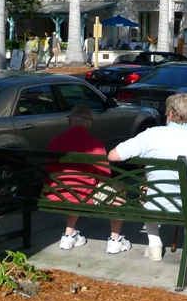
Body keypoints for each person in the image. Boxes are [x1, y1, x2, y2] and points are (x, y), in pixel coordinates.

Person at [108, 93, 187, 262]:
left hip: (156, 207)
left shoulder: (151, 135)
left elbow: (113, 156)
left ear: (171, 114)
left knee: (146, 188)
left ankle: (154, 244)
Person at [45, 104, 132, 254]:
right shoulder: (96, 145)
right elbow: (105, 178)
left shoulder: (54, 140)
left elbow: (48, 168)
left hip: (55, 193)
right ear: (89, 123)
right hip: (82, 196)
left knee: (74, 187)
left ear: (70, 120)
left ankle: (69, 235)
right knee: (120, 189)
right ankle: (115, 239)